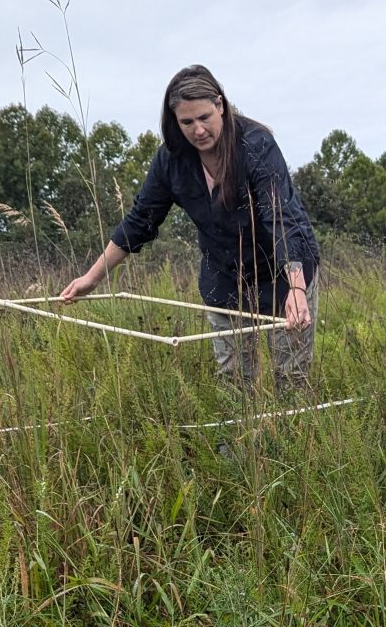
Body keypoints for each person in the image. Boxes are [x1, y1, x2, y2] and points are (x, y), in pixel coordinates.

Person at [60, 65, 320, 392]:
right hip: (225, 278)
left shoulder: (256, 145)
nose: (198, 130)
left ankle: (293, 437)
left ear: (221, 106)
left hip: (285, 271)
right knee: (233, 381)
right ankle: (237, 443)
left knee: (291, 378)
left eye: (205, 117)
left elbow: (280, 214)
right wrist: (92, 277)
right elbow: (141, 220)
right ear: (175, 122)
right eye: (187, 122)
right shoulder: (171, 160)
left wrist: (296, 286)